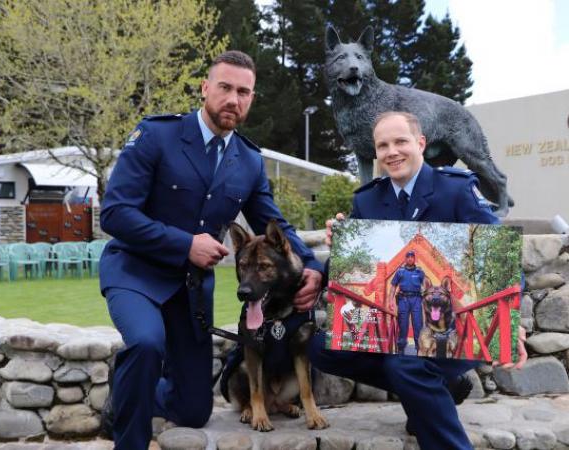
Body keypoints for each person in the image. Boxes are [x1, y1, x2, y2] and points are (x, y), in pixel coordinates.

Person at [98, 50, 323, 450]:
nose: (233, 100)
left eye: (244, 92)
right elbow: (114, 214)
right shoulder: (157, 136)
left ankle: (129, 387)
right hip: (136, 273)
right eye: (225, 88)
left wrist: (310, 266)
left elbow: (276, 224)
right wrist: (185, 243)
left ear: (252, 98)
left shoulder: (250, 161)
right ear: (205, 88)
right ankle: (128, 438)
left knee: (193, 409)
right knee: (147, 342)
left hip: (190, 291)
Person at [309, 111, 527, 450]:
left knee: (406, 361)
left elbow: (502, 256)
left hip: (455, 324)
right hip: (395, 319)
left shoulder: (455, 189)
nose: (392, 151)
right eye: (383, 145)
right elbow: (355, 270)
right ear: (375, 153)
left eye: (400, 141)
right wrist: (340, 246)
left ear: (420, 143)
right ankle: (438, 388)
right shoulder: (365, 200)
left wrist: (509, 317)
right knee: (321, 347)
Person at [389, 250, 425, 355]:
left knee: (418, 325)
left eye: (412, 257)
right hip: (403, 300)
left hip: (417, 300)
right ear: (405, 259)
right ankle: (401, 349)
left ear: (414, 259)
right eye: (408, 257)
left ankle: (419, 349)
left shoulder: (420, 272)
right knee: (403, 325)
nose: (410, 258)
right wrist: (390, 301)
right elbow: (393, 286)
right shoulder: (400, 271)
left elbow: (427, 286)